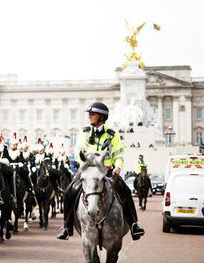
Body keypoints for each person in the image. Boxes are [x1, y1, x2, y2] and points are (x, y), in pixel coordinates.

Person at [57, 102, 145, 241]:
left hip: (107, 172)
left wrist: (117, 166)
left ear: (102, 117)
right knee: (69, 191)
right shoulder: (85, 132)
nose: (89, 116)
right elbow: (78, 151)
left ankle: (134, 224)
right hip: (88, 171)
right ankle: (67, 227)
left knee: (126, 190)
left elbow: (118, 154)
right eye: (89, 114)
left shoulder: (112, 135)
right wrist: (84, 166)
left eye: (93, 114)